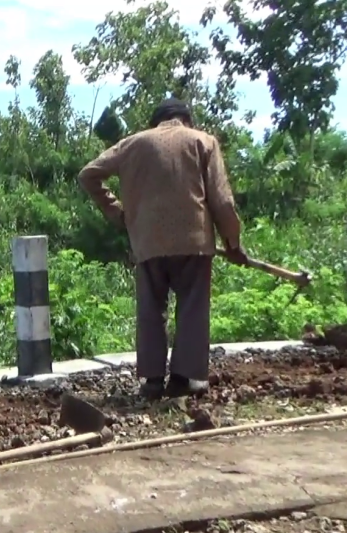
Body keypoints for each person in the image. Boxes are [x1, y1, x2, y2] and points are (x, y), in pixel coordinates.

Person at [78, 97, 249, 401]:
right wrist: (232, 243)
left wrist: (117, 211)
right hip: (193, 243)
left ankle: (153, 381)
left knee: (150, 310)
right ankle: (182, 380)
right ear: (187, 119)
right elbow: (222, 201)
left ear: (155, 123)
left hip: (147, 241)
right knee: (192, 309)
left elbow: (89, 174)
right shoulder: (203, 141)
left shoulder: (132, 144)